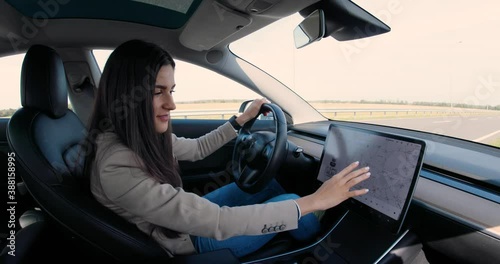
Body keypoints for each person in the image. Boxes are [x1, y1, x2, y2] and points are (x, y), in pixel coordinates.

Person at [84, 39, 370, 258]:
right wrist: (317, 201)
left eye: (171, 91)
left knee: (266, 186)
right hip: (188, 241)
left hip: (183, 221)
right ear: (126, 95)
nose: (171, 105)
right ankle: (326, 253)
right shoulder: (117, 165)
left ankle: (302, 236)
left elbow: (195, 149)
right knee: (300, 203)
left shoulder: (135, 136)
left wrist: (239, 122)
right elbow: (219, 221)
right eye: (158, 92)